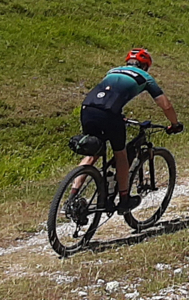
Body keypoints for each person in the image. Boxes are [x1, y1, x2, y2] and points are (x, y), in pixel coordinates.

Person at [78, 48, 183, 212]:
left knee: (93, 153)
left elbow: (108, 94)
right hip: (109, 113)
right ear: (145, 66)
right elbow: (166, 105)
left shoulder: (112, 71)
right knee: (121, 155)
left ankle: (72, 196)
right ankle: (125, 198)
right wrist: (175, 124)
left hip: (87, 108)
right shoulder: (145, 77)